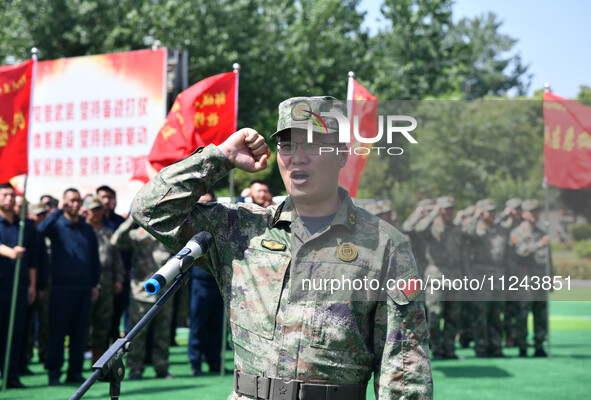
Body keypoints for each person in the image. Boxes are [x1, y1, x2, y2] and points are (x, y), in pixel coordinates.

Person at [132, 96, 433, 399]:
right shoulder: (240, 230)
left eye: (313, 144)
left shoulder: (385, 245)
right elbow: (150, 210)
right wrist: (220, 157)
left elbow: (404, 369)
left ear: (342, 153)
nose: (297, 158)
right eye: (287, 146)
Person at [37, 188, 101, 386]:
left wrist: (94, 284)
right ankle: (54, 372)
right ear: (64, 202)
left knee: (79, 333)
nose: (74, 204)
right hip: (61, 288)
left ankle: (74, 371)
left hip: (83, 288)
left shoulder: (86, 228)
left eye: (77, 201)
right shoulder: (57, 225)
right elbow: (40, 231)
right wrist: (56, 212)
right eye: (70, 201)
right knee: (58, 331)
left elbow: (94, 259)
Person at [111, 216, 174, 380]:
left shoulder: (169, 234)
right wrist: (130, 220)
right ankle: (135, 369)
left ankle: (162, 368)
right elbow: (115, 240)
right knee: (137, 335)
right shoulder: (137, 234)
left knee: (163, 334)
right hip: (140, 293)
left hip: (165, 292)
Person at [0, 183, 41, 389]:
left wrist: (32, 286)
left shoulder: (23, 225)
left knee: (15, 333)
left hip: (19, 286)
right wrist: (8, 251)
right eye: (4, 195)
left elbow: (32, 259)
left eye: (11, 195)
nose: (9, 199)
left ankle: (11, 375)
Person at [415, 196, 463, 360]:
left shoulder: (456, 228)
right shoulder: (431, 227)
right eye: (445, 208)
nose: (449, 211)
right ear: (439, 209)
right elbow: (418, 228)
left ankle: (450, 349)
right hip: (436, 274)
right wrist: (431, 214)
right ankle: (436, 349)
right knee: (435, 315)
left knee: (453, 315)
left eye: (451, 208)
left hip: (455, 275)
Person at [463, 199, 508, 358]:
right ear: (481, 212)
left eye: (493, 210)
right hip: (481, 276)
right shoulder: (476, 228)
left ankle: (496, 346)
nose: (492, 213)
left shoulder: (500, 229)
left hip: (498, 275)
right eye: (488, 211)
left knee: (497, 314)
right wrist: (475, 217)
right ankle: (481, 347)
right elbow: (466, 233)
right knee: (481, 314)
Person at [188, 190, 226, 376]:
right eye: (201, 203)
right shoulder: (193, 225)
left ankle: (214, 362)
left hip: (219, 280)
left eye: (209, 203)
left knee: (217, 325)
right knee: (198, 324)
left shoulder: (221, 224)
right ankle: (195, 362)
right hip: (201, 280)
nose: (205, 207)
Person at [507, 199, 551, 357]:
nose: (534, 214)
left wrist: (550, 278)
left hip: (540, 279)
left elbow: (548, 259)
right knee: (522, 314)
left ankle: (540, 344)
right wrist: (539, 245)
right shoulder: (517, 233)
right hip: (524, 279)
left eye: (536, 211)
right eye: (531, 211)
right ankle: (522, 345)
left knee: (541, 314)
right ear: (524, 214)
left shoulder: (541, 233)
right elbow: (522, 251)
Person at [84, 196, 124, 363]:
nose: (97, 213)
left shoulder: (108, 231)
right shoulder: (83, 230)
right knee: (84, 321)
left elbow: (117, 257)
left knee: (104, 321)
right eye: (94, 210)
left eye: (99, 209)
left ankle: (98, 360)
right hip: (87, 282)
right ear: (85, 211)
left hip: (107, 281)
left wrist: (119, 279)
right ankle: (78, 359)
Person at [96, 185, 131, 342]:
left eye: (110, 197)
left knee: (117, 312)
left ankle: (114, 345)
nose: (107, 201)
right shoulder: (93, 221)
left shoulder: (120, 222)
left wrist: (126, 271)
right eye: (103, 197)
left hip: (118, 275)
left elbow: (128, 249)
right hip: (98, 278)